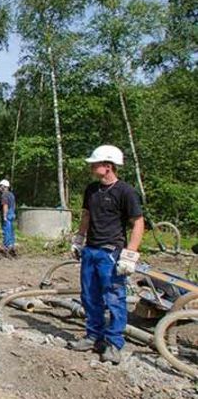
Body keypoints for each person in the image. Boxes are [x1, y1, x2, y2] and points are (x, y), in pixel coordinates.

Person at [68, 145, 144, 365]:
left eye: (95, 163)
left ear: (108, 166)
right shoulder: (91, 190)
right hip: (91, 251)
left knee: (114, 298)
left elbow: (138, 223)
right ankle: (94, 336)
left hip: (111, 253)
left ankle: (113, 344)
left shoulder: (125, 192)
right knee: (89, 296)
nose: (92, 167)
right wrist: (79, 240)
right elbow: (86, 216)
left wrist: (130, 254)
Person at [0, 179, 17, 257]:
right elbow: (14, 204)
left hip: (8, 213)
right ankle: (12, 244)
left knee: (6, 230)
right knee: (11, 230)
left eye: (0, 186)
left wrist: (5, 215)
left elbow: (5, 205)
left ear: (4, 186)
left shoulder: (4, 195)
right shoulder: (11, 194)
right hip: (12, 212)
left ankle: (7, 246)